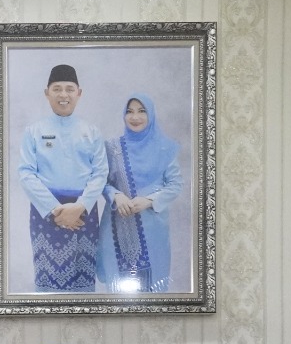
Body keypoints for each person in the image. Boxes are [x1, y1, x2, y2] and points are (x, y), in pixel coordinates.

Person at [15, 65, 109, 293]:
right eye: (57, 89)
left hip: (84, 211)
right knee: (49, 280)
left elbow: (100, 173)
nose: (63, 95)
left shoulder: (92, 132)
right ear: (47, 93)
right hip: (46, 212)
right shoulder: (33, 131)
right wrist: (56, 210)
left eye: (69, 89)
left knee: (83, 278)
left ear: (79, 93)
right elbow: (26, 173)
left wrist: (80, 206)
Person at [96, 93, 183, 294]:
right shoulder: (112, 148)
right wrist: (116, 196)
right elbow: (101, 181)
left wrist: (149, 200)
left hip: (152, 229)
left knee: (152, 292)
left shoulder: (164, 148)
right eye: (130, 111)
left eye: (141, 111)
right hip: (117, 228)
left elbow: (175, 184)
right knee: (118, 294)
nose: (135, 117)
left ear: (150, 115)